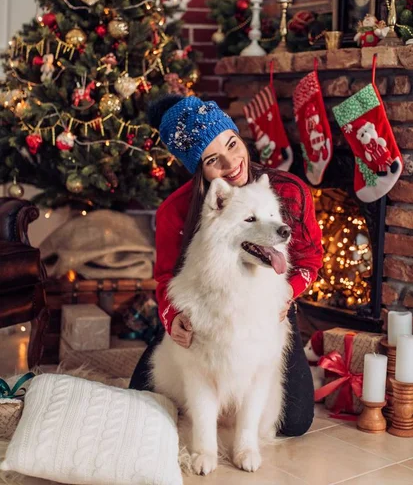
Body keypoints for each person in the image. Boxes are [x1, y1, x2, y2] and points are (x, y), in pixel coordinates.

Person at [129, 94, 323, 437]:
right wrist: (173, 319)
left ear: (239, 136)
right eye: (213, 160)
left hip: (268, 305)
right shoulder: (175, 211)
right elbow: (164, 277)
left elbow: (310, 259)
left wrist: (286, 295)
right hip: (205, 309)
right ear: (200, 170)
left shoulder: (288, 191)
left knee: (293, 421)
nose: (232, 163)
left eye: (233, 144)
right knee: (141, 397)